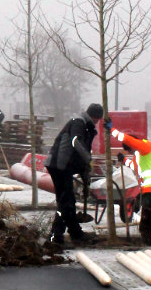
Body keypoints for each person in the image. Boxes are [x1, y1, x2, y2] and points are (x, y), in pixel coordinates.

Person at [44, 103, 103, 244]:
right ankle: (56, 236)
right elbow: (76, 143)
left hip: (64, 166)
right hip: (59, 165)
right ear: (93, 117)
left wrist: (86, 179)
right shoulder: (78, 123)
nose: (97, 122)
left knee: (67, 200)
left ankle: (75, 233)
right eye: (96, 119)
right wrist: (88, 159)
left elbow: (82, 155)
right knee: (66, 201)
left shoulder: (86, 126)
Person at [106, 121, 151, 246]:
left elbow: (129, 140)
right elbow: (134, 166)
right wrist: (124, 160)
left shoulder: (146, 146)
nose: (131, 154)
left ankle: (148, 243)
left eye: (130, 151)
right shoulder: (141, 155)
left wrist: (112, 131)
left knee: (146, 221)